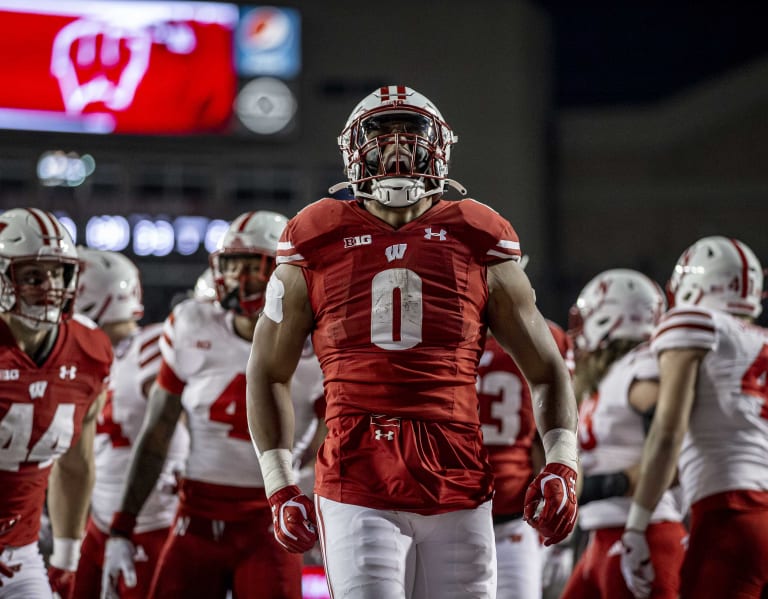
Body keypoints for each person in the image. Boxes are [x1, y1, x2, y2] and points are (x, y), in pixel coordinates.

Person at [246, 85, 579, 598]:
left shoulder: (478, 235)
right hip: (357, 475)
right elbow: (267, 370)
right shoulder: (315, 237)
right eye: (380, 135)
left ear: (440, 146)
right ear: (354, 148)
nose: (396, 148)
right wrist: (278, 482)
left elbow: (547, 368)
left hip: (459, 476)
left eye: (411, 134)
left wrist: (562, 461)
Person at [100, 210, 323, 599]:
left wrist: (312, 493)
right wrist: (123, 524)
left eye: (253, 267)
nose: (239, 279)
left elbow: (334, 437)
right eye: (232, 266)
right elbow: (157, 432)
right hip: (197, 516)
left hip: (269, 518)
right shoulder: (192, 323)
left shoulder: (317, 344)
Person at [621, 236, 768, 599]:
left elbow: (668, 432)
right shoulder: (761, 339)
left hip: (731, 511)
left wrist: (637, 526)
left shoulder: (695, 323)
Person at [0, 208, 112, 598]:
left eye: (57, 272)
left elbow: (76, 462)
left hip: (19, 551)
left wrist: (66, 554)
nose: (49, 285)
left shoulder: (89, 349)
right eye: (32, 275)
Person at [70, 248, 189, 598]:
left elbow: (193, 418)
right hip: (99, 520)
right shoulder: (88, 358)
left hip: (152, 525)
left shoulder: (150, 347)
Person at [561, 269, 686, 599]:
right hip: (601, 536)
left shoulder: (639, 368)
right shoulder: (603, 381)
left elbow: (675, 447)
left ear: (607, 319)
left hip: (645, 532)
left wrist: (605, 485)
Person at [477, 321, 575, 598]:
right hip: (449, 516)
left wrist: (558, 530)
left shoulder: (540, 336)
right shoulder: (441, 331)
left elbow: (553, 438)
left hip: (513, 522)